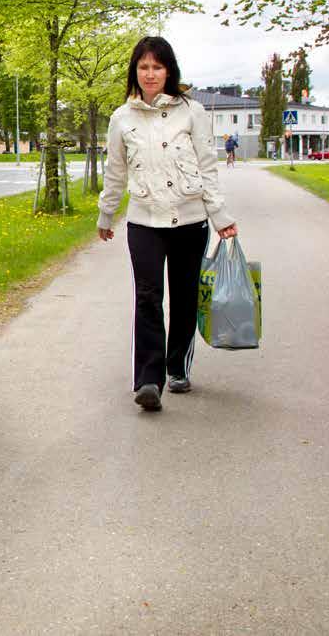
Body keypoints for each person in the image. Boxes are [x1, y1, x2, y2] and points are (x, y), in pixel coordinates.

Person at [97, 36, 237, 412]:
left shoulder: (191, 111)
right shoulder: (121, 118)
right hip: (144, 220)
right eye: (143, 67)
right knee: (147, 297)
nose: (150, 74)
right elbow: (115, 172)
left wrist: (220, 216)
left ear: (169, 71)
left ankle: (177, 365)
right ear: (135, 72)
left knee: (185, 295)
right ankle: (148, 379)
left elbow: (208, 167)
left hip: (190, 220)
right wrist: (107, 214)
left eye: (157, 67)